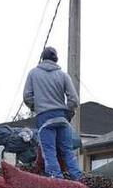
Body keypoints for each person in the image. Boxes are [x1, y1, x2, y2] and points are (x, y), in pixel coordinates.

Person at [23, 46, 83, 180]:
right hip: (62, 118)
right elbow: (74, 100)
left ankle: (57, 182)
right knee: (67, 152)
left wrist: (36, 106)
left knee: (50, 153)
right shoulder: (63, 75)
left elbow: (27, 97)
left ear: (42, 58)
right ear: (56, 59)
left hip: (44, 119)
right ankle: (80, 181)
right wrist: (67, 112)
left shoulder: (33, 73)